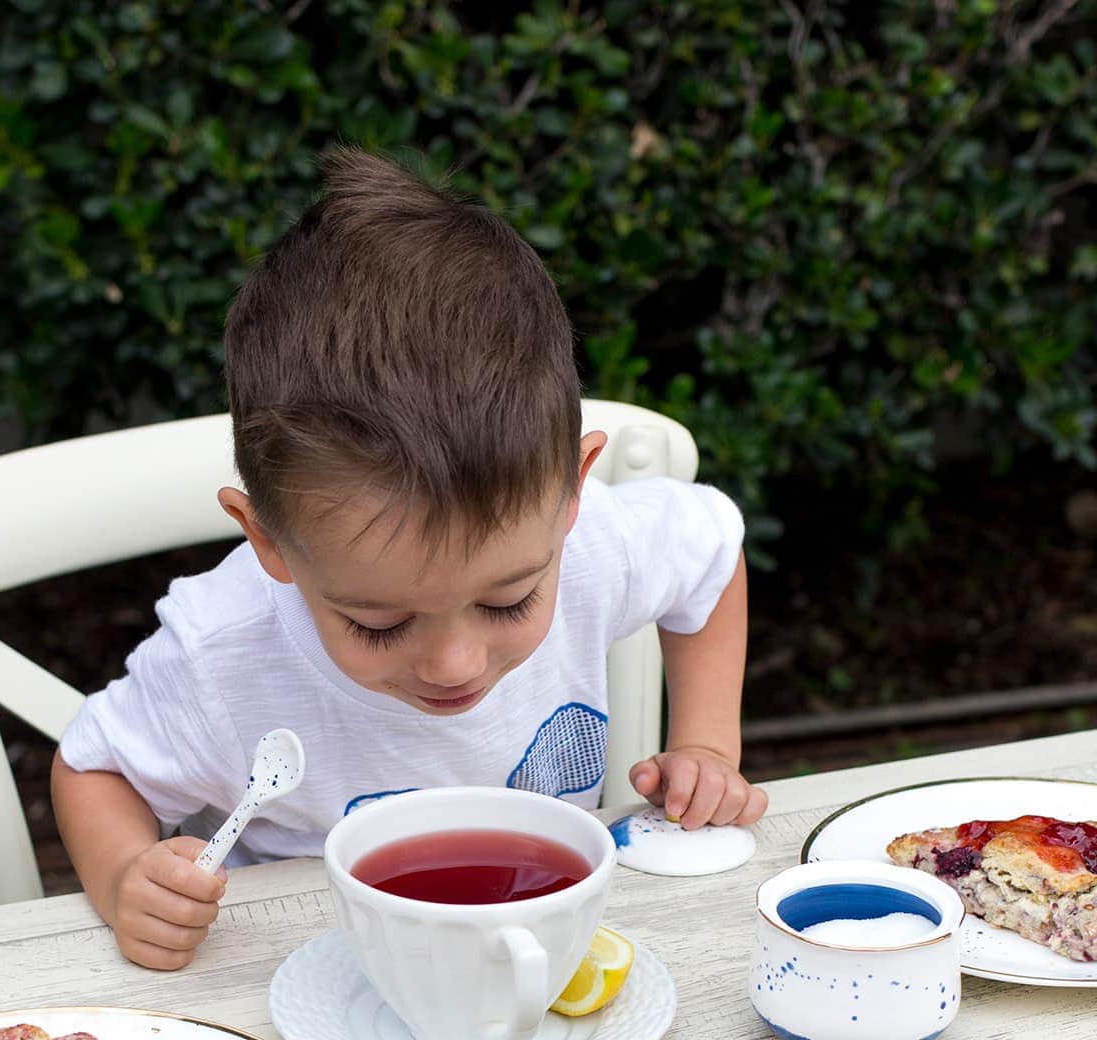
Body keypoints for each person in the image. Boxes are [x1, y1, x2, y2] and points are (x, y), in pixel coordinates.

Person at [53, 148, 767, 970]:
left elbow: (712, 555)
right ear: (270, 545)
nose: (454, 662)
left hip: (543, 950)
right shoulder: (226, 653)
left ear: (571, 491)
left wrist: (709, 745)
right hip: (304, 972)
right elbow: (93, 767)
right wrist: (123, 881)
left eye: (507, 602)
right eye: (379, 622)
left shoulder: (595, 538)